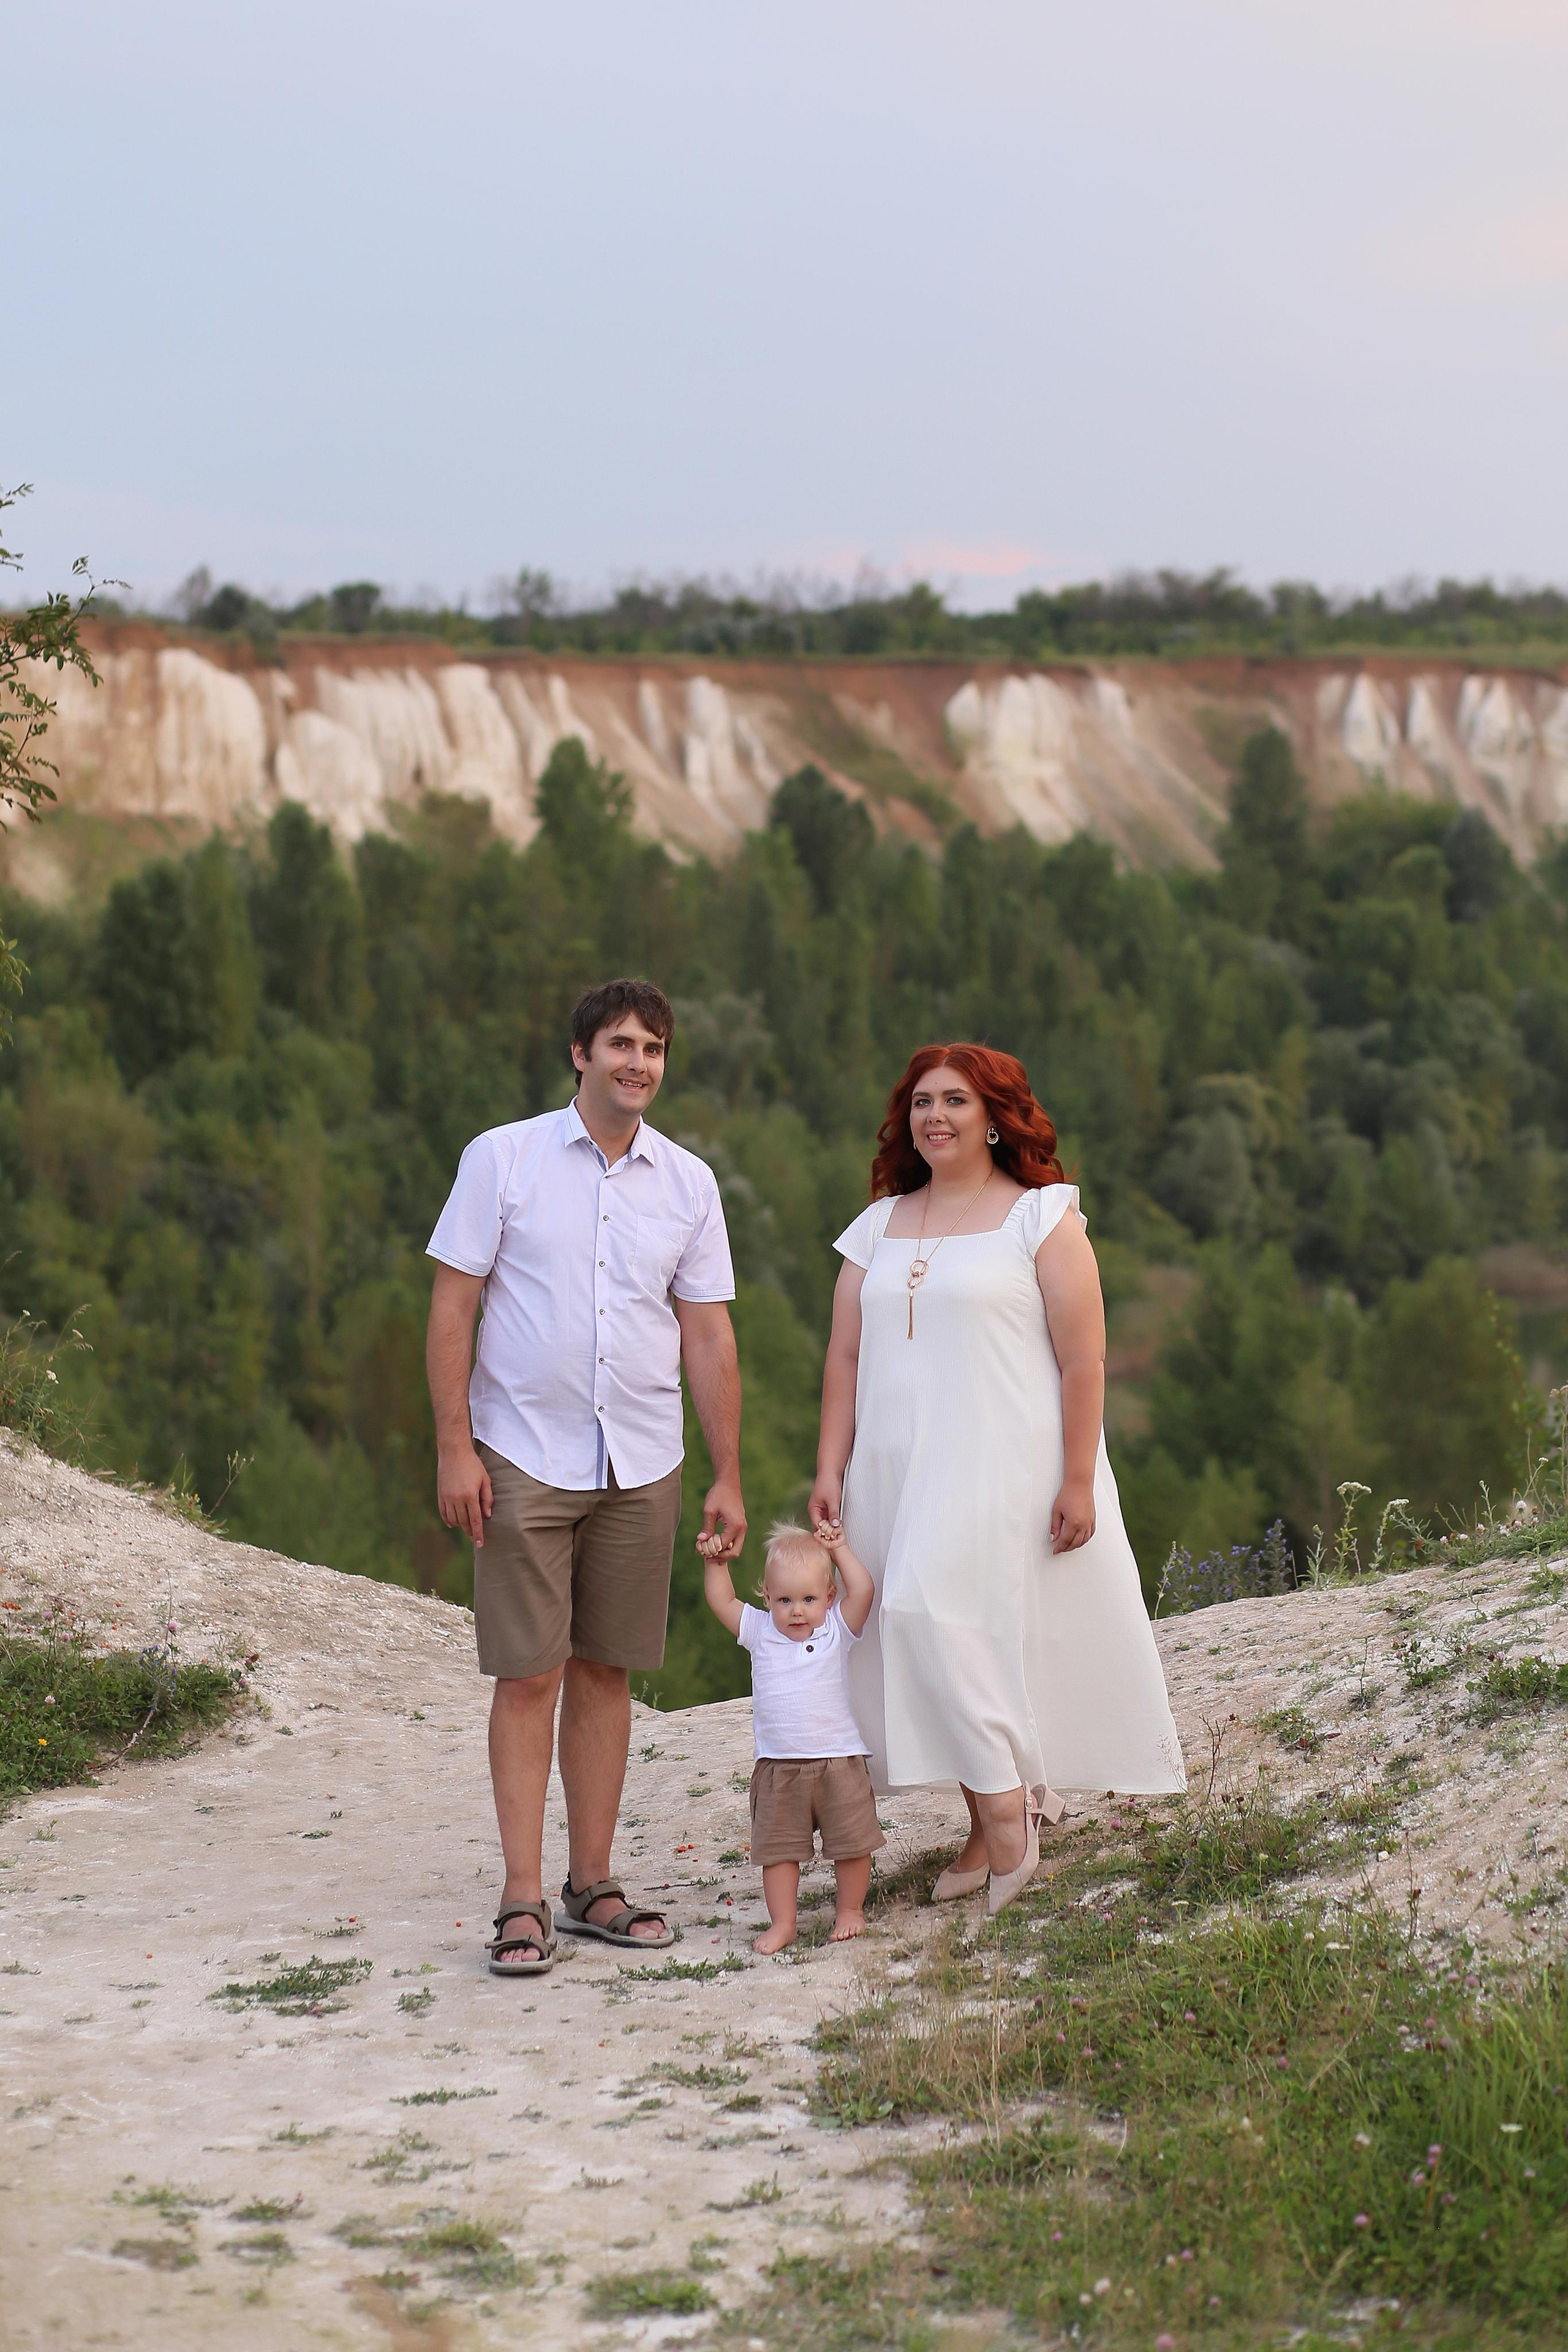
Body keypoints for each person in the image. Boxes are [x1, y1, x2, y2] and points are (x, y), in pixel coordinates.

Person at [810, 1043, 1185, 1917]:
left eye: (955, 1101)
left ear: (994, 1116)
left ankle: (1011, 1820)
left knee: (919, 1608)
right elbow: (844, 1355)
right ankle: (988, 1820)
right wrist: (831, 1465)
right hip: (896, 1465)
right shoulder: (876, 1226)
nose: (934, 1116)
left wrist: (1079, 1479)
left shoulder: (1041, 1217)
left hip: (1003, 1456)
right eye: (921, 1102)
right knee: (960, 1631)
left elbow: (1084, 1358)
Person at [425, 978, 747, 1978]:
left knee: (607, 1671)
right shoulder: (503, 1158)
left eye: (653, 1047)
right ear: (580, 1054)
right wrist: (453, 1446)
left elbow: (708, 1333)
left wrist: (726, 1472)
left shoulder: (688, 1183)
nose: (637, 1063)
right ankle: (521, 1901)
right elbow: (452, 1309)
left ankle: (591, 1884)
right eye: (619, 1044)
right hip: (522, 1452)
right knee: (530, 1674)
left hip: (642, 1459)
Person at [702, 1515, 881, 1953]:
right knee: (778, 1853)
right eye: (783, 1599)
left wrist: (837, 1549)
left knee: (852, 1843)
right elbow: (722, 1602)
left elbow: (865, 1590)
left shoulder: (836, 1628)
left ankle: (850, 1910)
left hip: (839, 1761)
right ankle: (783, 1923)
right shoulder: (761, 1631)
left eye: (807, 1599)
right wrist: (716, 1563)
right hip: (778, 1767)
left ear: (828, 1597)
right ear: (766, 1596)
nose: (796, 1610)